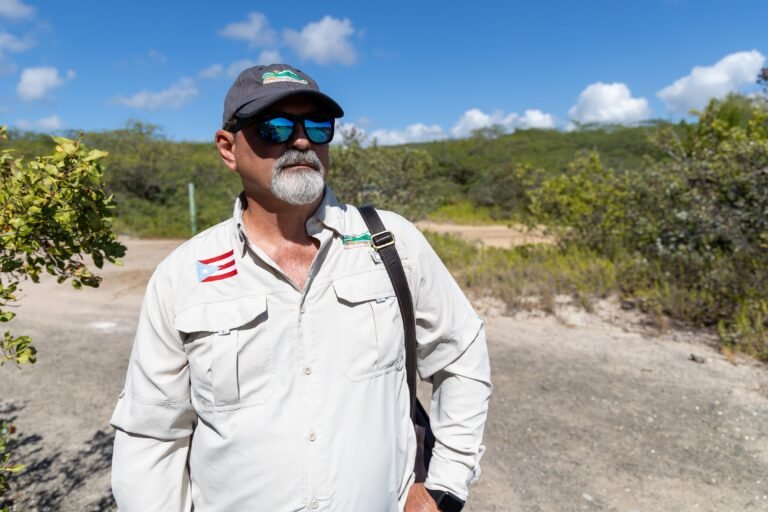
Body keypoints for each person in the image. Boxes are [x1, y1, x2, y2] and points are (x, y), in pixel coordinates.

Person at [110, 64, 491, 512]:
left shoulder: (392, 242)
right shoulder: (183, 274)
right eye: (273, 127)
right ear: (228, 148)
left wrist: (444, 486)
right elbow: (152, 435)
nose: (302, 141)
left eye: (317, 125)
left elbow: (461, 355)